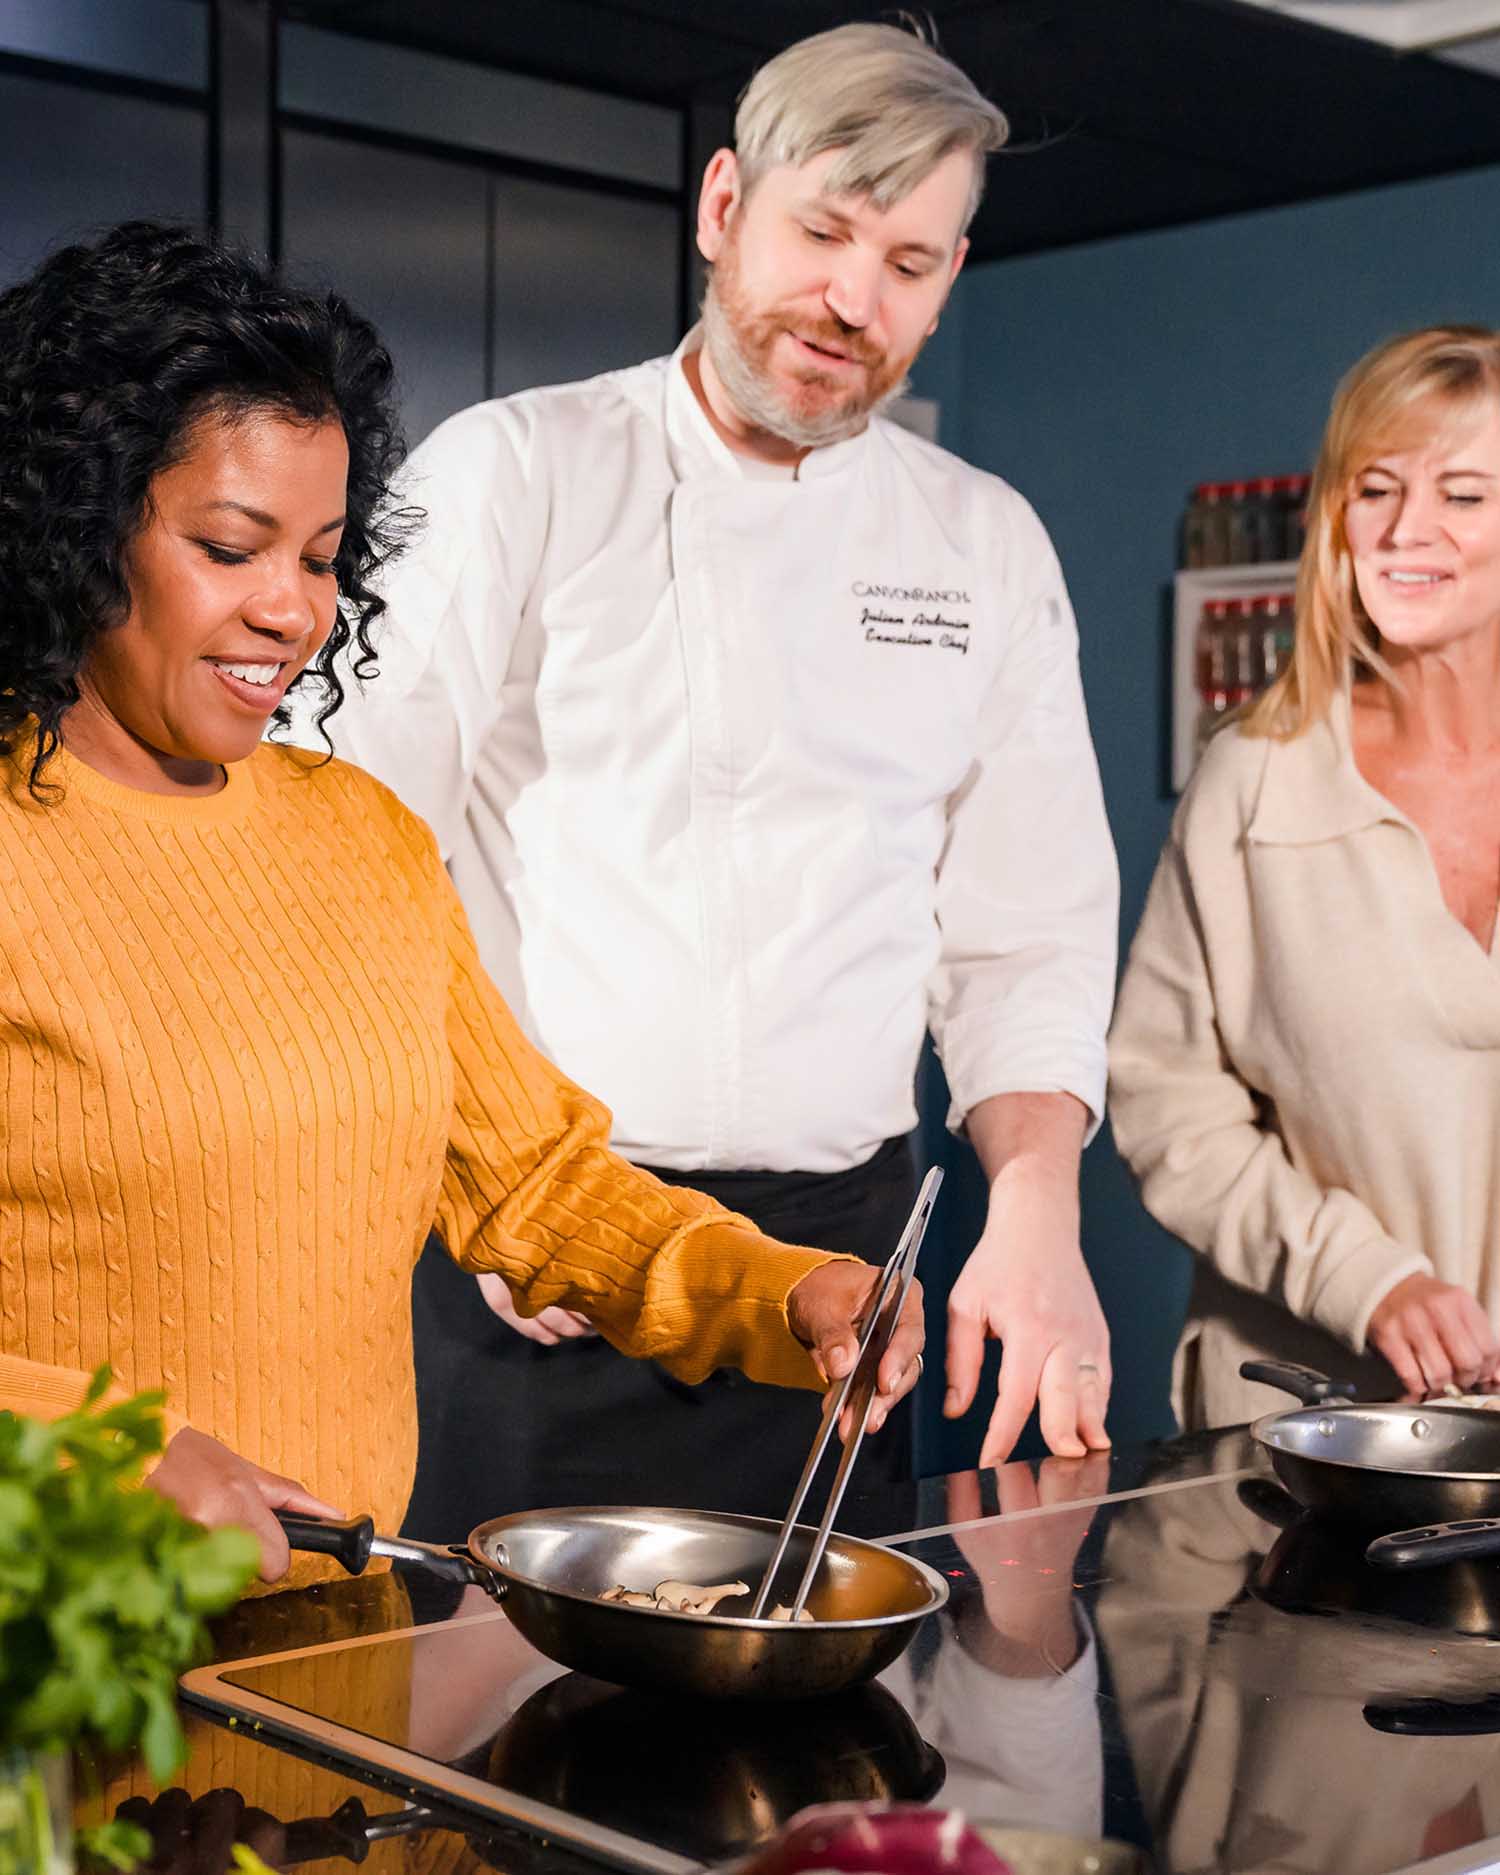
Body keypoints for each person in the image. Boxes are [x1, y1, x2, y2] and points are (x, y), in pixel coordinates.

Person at [0, 219, 923, 1588]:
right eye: (231, 547)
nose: (291, 612)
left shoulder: (363, 838)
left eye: (321, 558)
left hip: (335, 1635)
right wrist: (104, 1448)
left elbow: (538, 1182)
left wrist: (787, 1290)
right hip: (58, 1647)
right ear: (79, 531)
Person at [300, 20, 1119, 1531]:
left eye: (911, 262)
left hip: (840, 1272)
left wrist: (1037, 1210)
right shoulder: (516, 470)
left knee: (818, 1672)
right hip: (545, 1261)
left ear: (950, 277)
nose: (855, 298)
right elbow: (347, 842)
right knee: (491, 1678)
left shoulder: (983, 542)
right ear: (725, 205)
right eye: (824, 233)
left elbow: (1029, 933)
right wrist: (462, 1161)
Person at [1109, 324, 1500, 1431]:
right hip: (1304, 1431)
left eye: (1463, 494)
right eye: (1375, 490)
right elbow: (1167, 1104)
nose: (1408, 530)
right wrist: (1362, 1278)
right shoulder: (1255, 782)